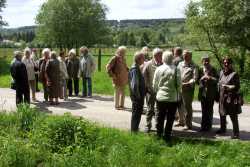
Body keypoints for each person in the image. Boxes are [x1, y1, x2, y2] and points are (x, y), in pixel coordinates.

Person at [153, 50, 181, 140]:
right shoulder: (176, 69)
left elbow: (154, 84)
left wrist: (158, 91)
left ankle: (159, 134)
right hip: (173, 98)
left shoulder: (158, 69)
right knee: (170, 118)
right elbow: (179, 84)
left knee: (160, 116)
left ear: (163, 58)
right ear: (172, 58)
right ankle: (167, 135)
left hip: (161, 97)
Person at [217, 57, 242, 139]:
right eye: (225, 63)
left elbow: (237, 87)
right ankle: (222, 129)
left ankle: (236, 133)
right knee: (222, 113)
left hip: (230, 98)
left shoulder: (234, 74)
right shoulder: (221, 72)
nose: (226, 64)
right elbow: (219, 83)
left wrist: (228, 86)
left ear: (231, 64)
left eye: (228, 63)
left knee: (233, 116)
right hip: (221, 97)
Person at [142, 48, 163, 132]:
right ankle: (148, 125)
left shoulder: (163, 64)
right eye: (157, 55)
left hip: (160, 91)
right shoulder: (148, 64)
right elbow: (144, 76)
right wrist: (147, 87)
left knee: (159, 109)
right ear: (154, 56)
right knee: (150, 108)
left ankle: (158, 125)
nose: (160, 57)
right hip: (150, 91)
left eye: (160, 55)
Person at [177, 50, 198, 129]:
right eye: (184, 55)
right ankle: (181, 121)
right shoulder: (180, 64)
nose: (185, 57)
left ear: (190, 56)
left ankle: (188, 124)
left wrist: (187, 83)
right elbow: (177, 74)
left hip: (188, 89)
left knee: (187, 107)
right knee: (179, 105)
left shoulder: (194, 66)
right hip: (179, 88)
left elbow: (194, 78)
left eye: (187, 55)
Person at [198, 55, 218, 132]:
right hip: (203, 93)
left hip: (211, 93)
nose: (206, 62)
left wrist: (210, 78)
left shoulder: (213, 69)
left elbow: (217, 80)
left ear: (209, 61)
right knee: (203, 110)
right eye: (204, 61)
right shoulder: (200, 69)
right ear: (202, 62)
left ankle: (208, 127)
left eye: (207, 60)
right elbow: (197, 80)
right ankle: (203, 126)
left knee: (209, 110)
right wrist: (201, 79)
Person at [106, 46, 129, 110]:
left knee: (123, 92)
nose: (123, 53)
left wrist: (128, 70)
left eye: (124, 52)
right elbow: (108, 67)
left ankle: (122, 105)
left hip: (124, 78)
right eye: (122, 52)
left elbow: (125, 67)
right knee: (117, 92)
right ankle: (116, 106)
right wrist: (112, 75)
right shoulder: (114, 58)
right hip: (117, 79)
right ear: (118, 51)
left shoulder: (124, 59)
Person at [129, 51, 146, 132]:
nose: (144, 59)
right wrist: (138, 96)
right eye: (143, 58)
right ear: (139, 59)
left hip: (138, 95)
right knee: (136, 113)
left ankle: (135, 128)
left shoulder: (137, 67)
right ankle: (134, 130)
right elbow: (134, 85)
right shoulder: (135, 69)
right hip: (137, 96)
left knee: (137, 113)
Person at [173, 47, 185, 127]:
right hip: (185, 83)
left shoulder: (175, 60)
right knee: (183, 102)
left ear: (175, 52)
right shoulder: (183, 59)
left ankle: (180, 119)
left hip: (178, 84)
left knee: (178, 102)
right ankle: (182, 118)